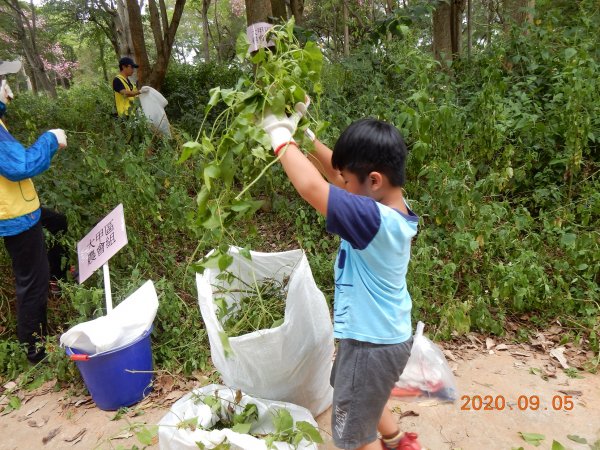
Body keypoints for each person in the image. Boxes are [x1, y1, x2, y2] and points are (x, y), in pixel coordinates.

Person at [259, 104, 423, 450]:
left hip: (372, 345)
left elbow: (312, 187)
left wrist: (279, 135)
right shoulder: (391, 207)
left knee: (351, 437)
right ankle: (396, 440)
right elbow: (336, 176)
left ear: (374, 180)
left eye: (349, 182)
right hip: (383, 336)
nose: (342, 184)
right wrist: (307, 138)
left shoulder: (373, 220)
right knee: (360, 392)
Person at [0, 79, 68, 363]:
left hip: (23, 209)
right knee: (32, 281)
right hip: (15, 216)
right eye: (3, 84)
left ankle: (59, 279)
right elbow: (21, 166)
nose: (9, 90)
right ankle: (34, 350)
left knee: (57, 221)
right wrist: (51, 138)